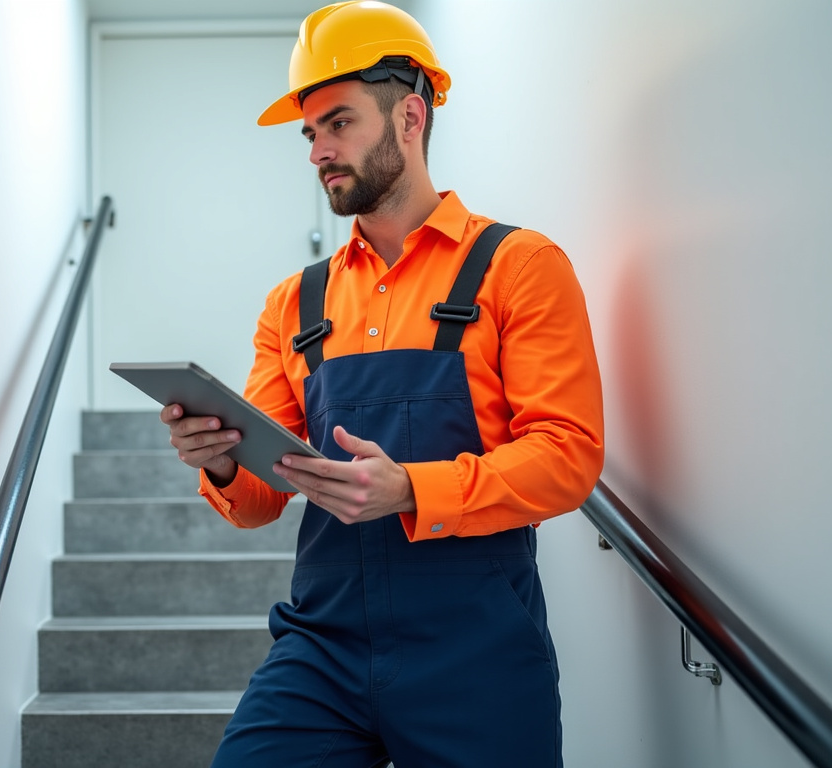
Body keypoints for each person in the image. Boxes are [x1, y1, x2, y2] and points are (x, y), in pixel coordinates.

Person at [161, 2, 604, 765]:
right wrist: (222, 460)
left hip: (478, 651)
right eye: (310, 133)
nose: (317, 151)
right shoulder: (295, 303)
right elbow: (260, 502)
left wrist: (412, 491)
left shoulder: (520, 267)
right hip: (323, 647)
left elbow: (568, 455)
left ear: (410, 116)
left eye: (338, 123)